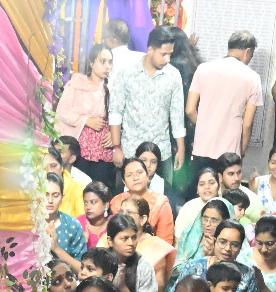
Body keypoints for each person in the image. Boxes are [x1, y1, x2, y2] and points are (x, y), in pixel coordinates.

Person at [108, 26, 186, 180]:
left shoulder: (173, 75)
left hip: (161, 152)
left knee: (161, 194)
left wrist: (181, 148)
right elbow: (115, 111)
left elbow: (177, 115)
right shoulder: (127, 73)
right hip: (131, 151)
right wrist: (116, 147)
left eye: (170, 54)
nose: (168, 59)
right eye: (163, 54)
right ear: (150, 50)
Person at [186, 31, 262, 175]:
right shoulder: (253, 78)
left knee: (203, 185)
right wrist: (241, 151)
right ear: (247, 51)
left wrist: (205, 126)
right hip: (230, 149)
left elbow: (190, 110)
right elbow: (247, 124)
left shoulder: (203, 69)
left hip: (202, 146)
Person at [56, 43, 114, 186]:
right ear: (91, 63)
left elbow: (120, 115)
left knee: (100, 190)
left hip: (103, 150)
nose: (107, 66)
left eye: (110, 62)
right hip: (79, 147)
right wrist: (87, 120)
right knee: (78, 187)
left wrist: (114, 133)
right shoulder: (77, 84)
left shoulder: (113, 87)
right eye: (102, 61)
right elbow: (62, 112)